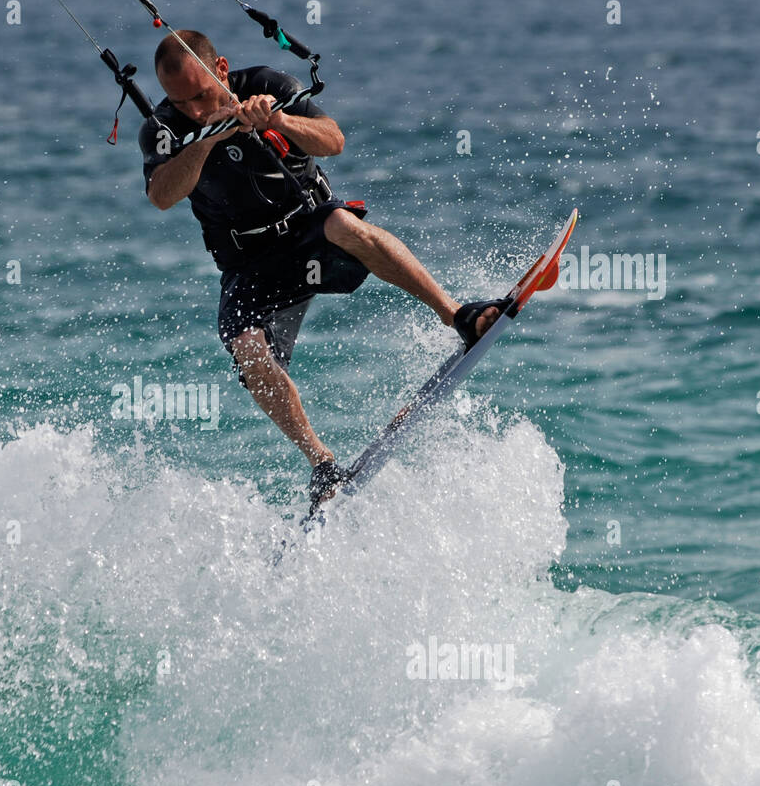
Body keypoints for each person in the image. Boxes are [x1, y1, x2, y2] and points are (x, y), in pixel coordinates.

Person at [138, 30, 509, 505]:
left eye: (201, 94)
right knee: (247, 350)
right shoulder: (165, 129)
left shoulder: (266, 84)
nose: (192, 108)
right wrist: (208, 136)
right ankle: (322, 464)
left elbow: (333, 140)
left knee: (344, 226)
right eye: (180, 101)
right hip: (250, 264)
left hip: (308, 227)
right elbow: (161, 196)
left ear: (222, 70)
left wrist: (277, 119)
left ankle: (458, 315)